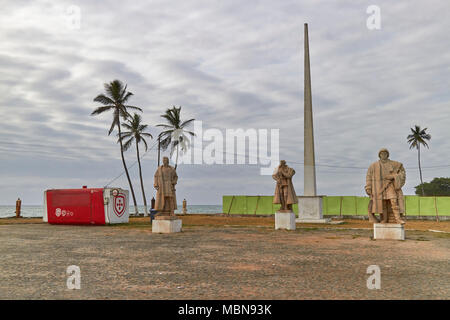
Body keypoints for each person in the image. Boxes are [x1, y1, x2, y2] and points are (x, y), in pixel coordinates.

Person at [365, 148, 406, 224]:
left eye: (385, 153)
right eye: (382, 154)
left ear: (387, 154)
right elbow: (368, 177)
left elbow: (401, 172)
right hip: (379, 188)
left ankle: (398, 219)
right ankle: (384, 219)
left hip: (390, 186)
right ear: (379, 155)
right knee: (382, 204)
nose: (383, 155)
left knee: (394, 201)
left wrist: (394, 176)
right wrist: (368, 187)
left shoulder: (394, 164)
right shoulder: (373, 166)